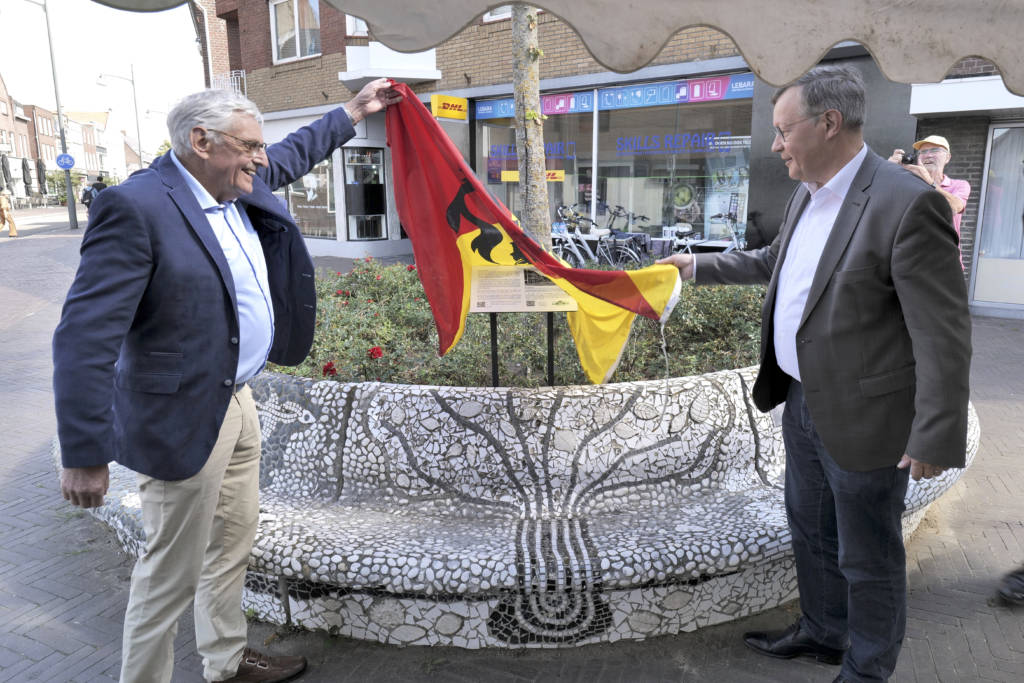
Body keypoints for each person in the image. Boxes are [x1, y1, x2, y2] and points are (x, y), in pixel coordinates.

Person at [53, 78, 401, 683]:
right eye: (248, 146)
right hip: (181, 414)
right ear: (201, 140)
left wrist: (353, 111)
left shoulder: (237, 180)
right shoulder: (137, 207)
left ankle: (226, 659)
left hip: (238, 400)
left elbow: (291, 153)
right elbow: (85, 338)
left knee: (232, 544)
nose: (261, 158)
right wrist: (85, 452)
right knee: (170, 572)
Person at [658, 65, 971, 682]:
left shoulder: (907, 204)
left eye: (783, 131)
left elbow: (944, 332)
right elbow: (778, 261)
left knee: (868, 553)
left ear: (828, 124)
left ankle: (867, 667)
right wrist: (693, 267)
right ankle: (825, 634)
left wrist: (935, 434)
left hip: (870, 417)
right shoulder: (810, 188)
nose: (775, 145)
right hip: (803, 401)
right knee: (810, 529)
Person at [888, 135, 970, 266]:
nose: (928, 155)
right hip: (912, 261)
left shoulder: (959, 185)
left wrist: (929, 182)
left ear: (947, 157)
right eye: (923, 152)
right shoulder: (908, 183)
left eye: (935, 150)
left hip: (946, 262)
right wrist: (888, 171)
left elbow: (955, 207)